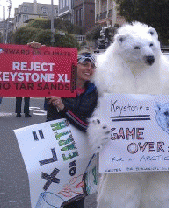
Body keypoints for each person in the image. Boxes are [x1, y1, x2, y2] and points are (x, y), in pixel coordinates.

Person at [45, 52, 98, 208]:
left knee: (75, 199)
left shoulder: (95, 92)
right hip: (57, 150)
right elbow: (36, 69)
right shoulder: (57, 84)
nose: (89, 68)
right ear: (74, 66)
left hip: (80, 153)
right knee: (52, 197)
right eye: (85, 64)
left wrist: (62, 108)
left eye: (93, 66)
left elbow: (88, 127)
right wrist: (35, 49)